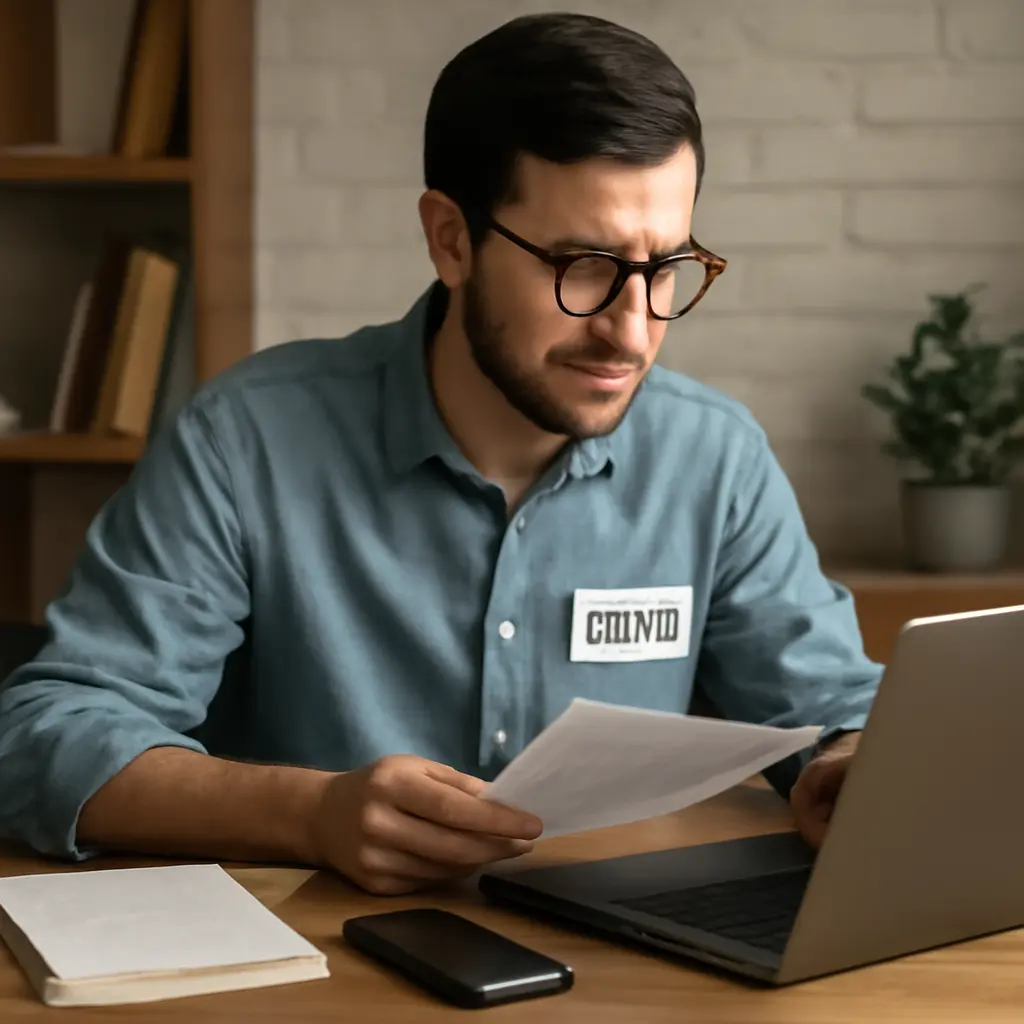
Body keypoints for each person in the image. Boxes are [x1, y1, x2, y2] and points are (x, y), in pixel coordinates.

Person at [0, 13, 880, 895]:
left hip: (625, 968)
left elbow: (838, 712)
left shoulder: (714, 458)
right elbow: (46, 734)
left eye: (665, 266)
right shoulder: (246, 441)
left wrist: (850, 764)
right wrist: (311, 814)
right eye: (583, 265)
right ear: (451, 240)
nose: (633, 327)